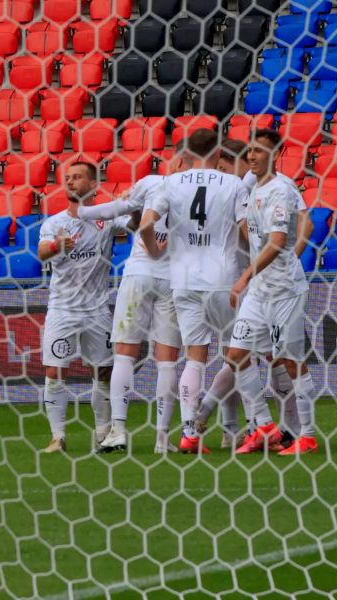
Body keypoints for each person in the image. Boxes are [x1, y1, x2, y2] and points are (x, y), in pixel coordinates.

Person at [197, 139, 314, 449]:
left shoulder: (282, 187)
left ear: (274, 155)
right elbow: (257, 238)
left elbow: (287, 235)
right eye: (249, 150)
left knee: (287, 362)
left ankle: (306, 435)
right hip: (257, 290)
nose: (252, 155)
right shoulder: (248, 191)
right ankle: (264, 426)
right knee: (235, 355)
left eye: (258, 150)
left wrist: (275, 265)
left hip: (282, 288)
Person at [75, 145, 192, 454]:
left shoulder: (152, 181)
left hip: (139, 274)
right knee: (167, 361)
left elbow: (115, 209)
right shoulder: (196, 191)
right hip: (174, 279)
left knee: (125, 355)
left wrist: (82, 210)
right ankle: (162, 438)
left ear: (176, 160)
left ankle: (119, 430)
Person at [140, 128, 249, 455]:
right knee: (240, 354)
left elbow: (146, 224)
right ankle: (255, 426)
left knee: (195, 359)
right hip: (223, 279)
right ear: (218, 154)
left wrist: (155, 251)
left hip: (183, 280)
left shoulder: (170, 183)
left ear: (186, 153)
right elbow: (245, 231)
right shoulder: (232, 183)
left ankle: (189, 432)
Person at [37, 162, 137, 454]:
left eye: (77, 177)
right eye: (67, 178)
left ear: (93, 185)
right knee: (55, 372)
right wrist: (58, 246)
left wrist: (134, 205)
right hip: (62, 309)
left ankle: (104, 434)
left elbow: (135, 224)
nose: (70, 182)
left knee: (103, 373)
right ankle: (58, 437)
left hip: (96, 311)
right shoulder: (54, 223)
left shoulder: (104, 219)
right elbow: (42, 253)